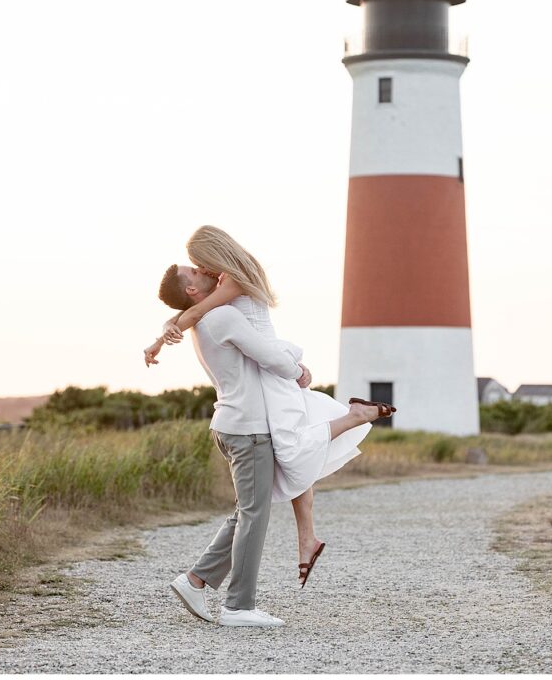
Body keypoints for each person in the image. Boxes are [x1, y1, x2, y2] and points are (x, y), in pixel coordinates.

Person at [146, 227, 395, 614]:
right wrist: (296, 370)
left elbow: (195, 312)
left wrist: (164, 333)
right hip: (247, 428)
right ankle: (237, 605)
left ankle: (197, 581)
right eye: (193, 272)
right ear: (193, 289)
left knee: (254, 505)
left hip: (237, 423)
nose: (202, 271)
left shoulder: (207, 316)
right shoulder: (222, 316)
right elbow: (268, 355)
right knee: (255, 511)